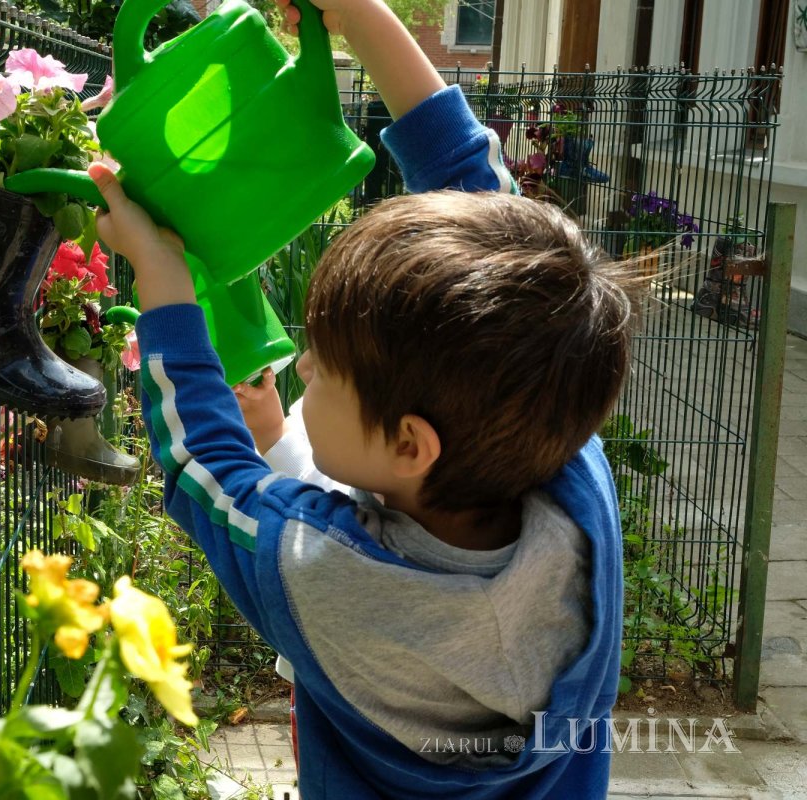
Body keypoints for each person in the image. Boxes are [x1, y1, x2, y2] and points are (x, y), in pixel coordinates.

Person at [87, 0, 642, 795]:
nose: (305, 365)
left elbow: (204, 472)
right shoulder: (565, 463)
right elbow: (479, 199)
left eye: (327, 367)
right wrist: (359, 15)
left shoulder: (326, 582)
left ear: (412, 446)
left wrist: (160, 272)